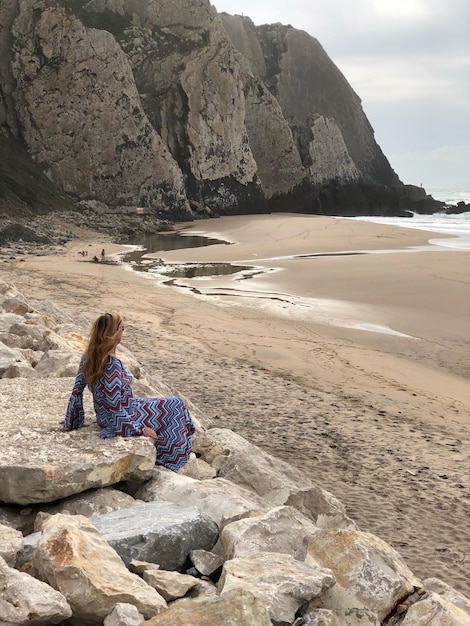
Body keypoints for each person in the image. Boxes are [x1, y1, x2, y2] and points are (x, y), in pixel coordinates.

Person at [64, 313, 195, 472]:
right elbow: (115, 407)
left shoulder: (88, 358)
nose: (122, 332)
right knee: (176, 406)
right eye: (122, 328)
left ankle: (168, 446)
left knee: (173, 403)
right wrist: (139, 429)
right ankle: (169, 454)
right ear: (114, 334)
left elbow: (77, 391)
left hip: (106, 415)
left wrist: (72, 420)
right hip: (124, 416)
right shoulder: (112, 365)